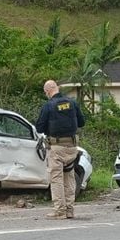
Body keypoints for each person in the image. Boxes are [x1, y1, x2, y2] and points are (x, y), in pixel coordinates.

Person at [34, 79, 85, 219]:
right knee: (69, 178)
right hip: (72, 147)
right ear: (57, 88)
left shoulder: (49, 106)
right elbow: (82, 122)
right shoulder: (73, 103)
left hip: (56, 148)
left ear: (47, 91)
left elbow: (39, 127)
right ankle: (70, 210)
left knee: (56, 178)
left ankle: (59, 210)